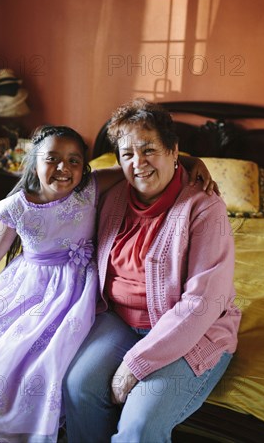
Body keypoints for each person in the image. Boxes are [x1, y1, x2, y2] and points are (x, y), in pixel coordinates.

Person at [0, 124, 215, 443]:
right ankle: (11, 423)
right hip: (32, 285)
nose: (63, 168)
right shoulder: (17, 205)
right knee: (10, 349)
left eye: (74, 160)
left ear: (85, 167)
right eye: (52, 159)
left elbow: (137, 164)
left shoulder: (91, 188)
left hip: (79, 289)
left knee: (59, 351)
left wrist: (189, 163)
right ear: (33, 161)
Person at [63, 100, 241, 443]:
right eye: (127, 154)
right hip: (118, 320)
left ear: (174, 152)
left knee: (140, 427)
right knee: (77, 387)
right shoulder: (111, 196)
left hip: (192, 330)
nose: (138, 163)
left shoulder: (205, 208)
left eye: (149, 150)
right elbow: (43, 192)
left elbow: (202, 302)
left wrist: (135, 364)